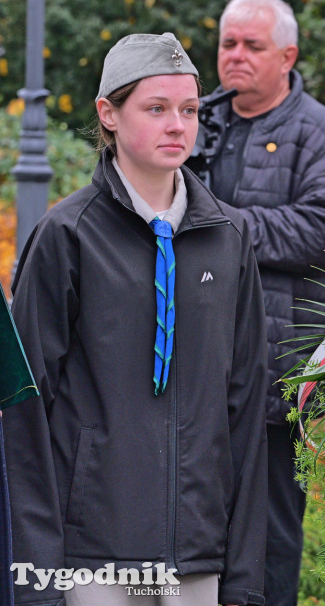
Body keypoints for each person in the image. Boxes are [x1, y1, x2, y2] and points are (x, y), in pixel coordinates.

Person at [6, 33, 267, 605]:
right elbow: (23, 413)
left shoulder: (229, 237)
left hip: (201, 555)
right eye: (156, 109)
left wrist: (245, 575)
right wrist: (34, 580)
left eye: (189, 109)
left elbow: (247, 410)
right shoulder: (66, 236)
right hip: (90, 560)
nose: (178, 125)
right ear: (109, 114)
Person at [187, 0, 325, 606]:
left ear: (287, 54)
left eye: (252, 45)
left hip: (273, 376)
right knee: (184, 538)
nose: (235, 56)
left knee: (266, 547)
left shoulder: (320, 132)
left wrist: (219, 227)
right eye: (227, 43)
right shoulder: (191, 121)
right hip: (183, 369)